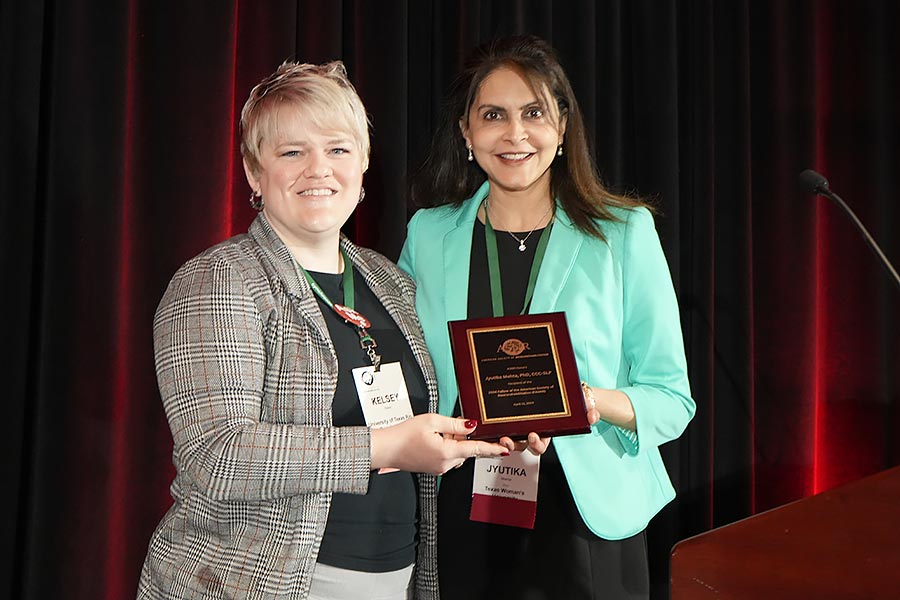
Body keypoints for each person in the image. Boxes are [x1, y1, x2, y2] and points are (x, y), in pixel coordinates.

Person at [137, 60, 507, 600]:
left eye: (337, 149)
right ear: (253, 172)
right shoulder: (219, 279)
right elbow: (219, 455)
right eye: (292, 152)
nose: (318, 169)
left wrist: (499, 429)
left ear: (363, 164)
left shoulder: (388, 280)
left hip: (396, 579)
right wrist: (384, 447)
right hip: (256, 582)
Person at [399, 35, 696, 599]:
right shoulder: (429, 235)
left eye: (533, 113)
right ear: (466, 133)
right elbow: (409, 372)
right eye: (493, 115)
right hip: (463, 507)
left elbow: (671, 398)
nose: (515, 134)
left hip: (585, 515)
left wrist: (590, 401)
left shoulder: (622, 233)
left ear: (562, 128)